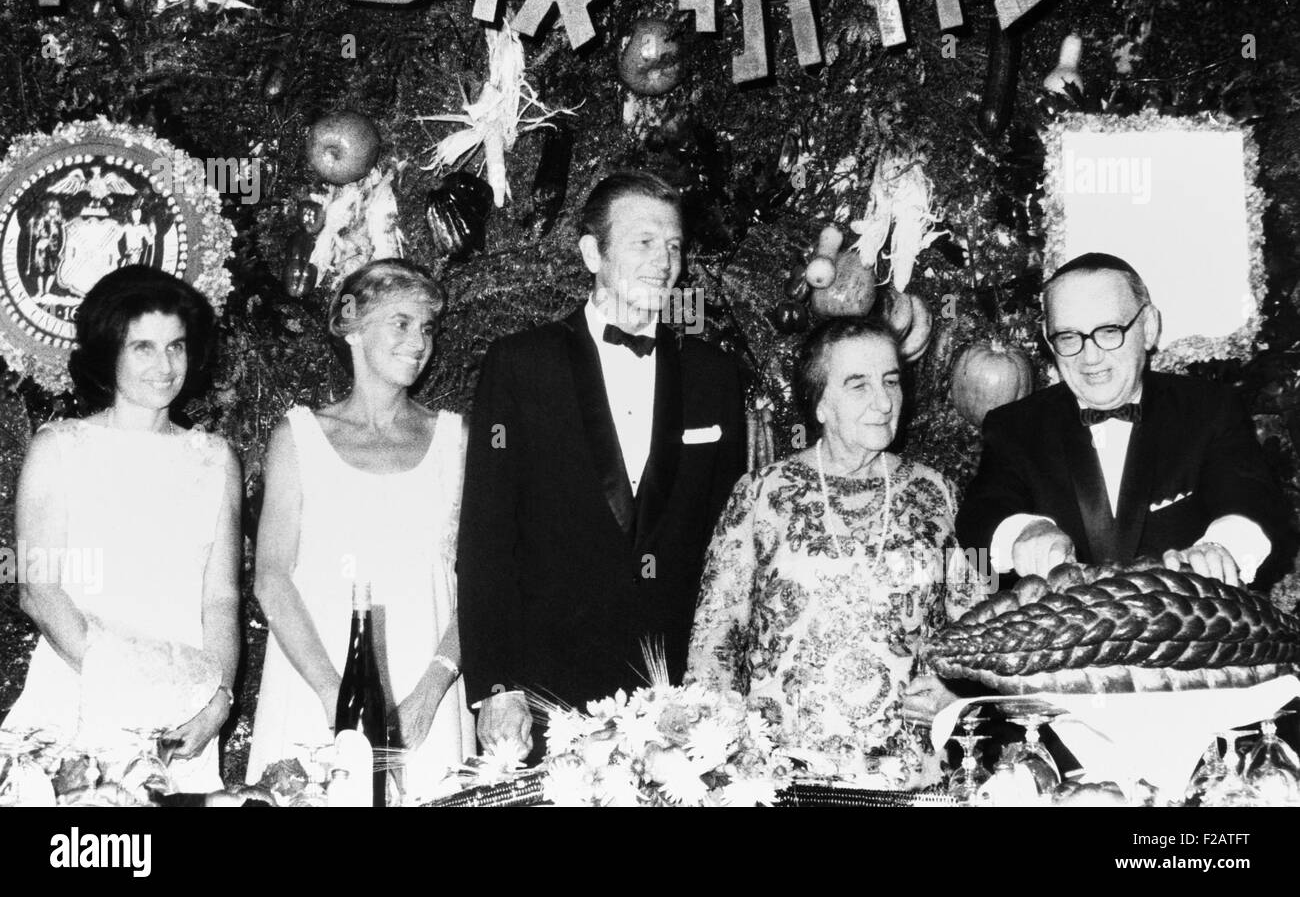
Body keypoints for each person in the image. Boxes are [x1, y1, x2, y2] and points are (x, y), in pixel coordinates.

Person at [457, 171, 746, 761]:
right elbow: (486, 537)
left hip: (681, 700)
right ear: (592, 252)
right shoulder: (520, 366)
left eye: (674, 246)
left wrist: (719, 683)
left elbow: (728, 547)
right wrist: (496, 684)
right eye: (644, 242)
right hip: (546, 692)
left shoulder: (715, 375)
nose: (665, 262)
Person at [686, 319, 981, 787]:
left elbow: (979, 633)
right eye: (858, 384)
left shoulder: (937, 492)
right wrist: (716, 766)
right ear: (820, 402)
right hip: (780, 778)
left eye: (890, 380)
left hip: (911, 778)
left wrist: (955, 694)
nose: (884, 402)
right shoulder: (763, 493)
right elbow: (714, 643)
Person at [3, 266, 240, 792]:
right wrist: (127, 686)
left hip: (183, 717)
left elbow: (221, 599)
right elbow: (37, 589)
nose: (165, 366)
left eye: (176, 347)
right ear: (108, 353)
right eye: (144, 348)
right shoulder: (58, 448)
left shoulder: (216, 459)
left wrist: (216, 701)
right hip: (82, 694)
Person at [248, 259, 473, 802]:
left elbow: (483, 581)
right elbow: (271, 579)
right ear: (352, 328)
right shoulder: (299, 436)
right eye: (401, 322)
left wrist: (428, 693)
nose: (419, 341)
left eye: (427, 327)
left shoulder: (455, 439)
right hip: (316, 693)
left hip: (429, 702)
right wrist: (340, 699)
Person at [957, 252, 1294, 587]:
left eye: (1109, 331)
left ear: (1148, 327)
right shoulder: (1014, 426)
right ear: (1048, 338)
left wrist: (1223, 547)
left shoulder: (1209, 410)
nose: (1090, 357)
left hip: (1188, 634)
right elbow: (980, 518)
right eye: (1069, 337)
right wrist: (1023, 531)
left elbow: (1257, 506)